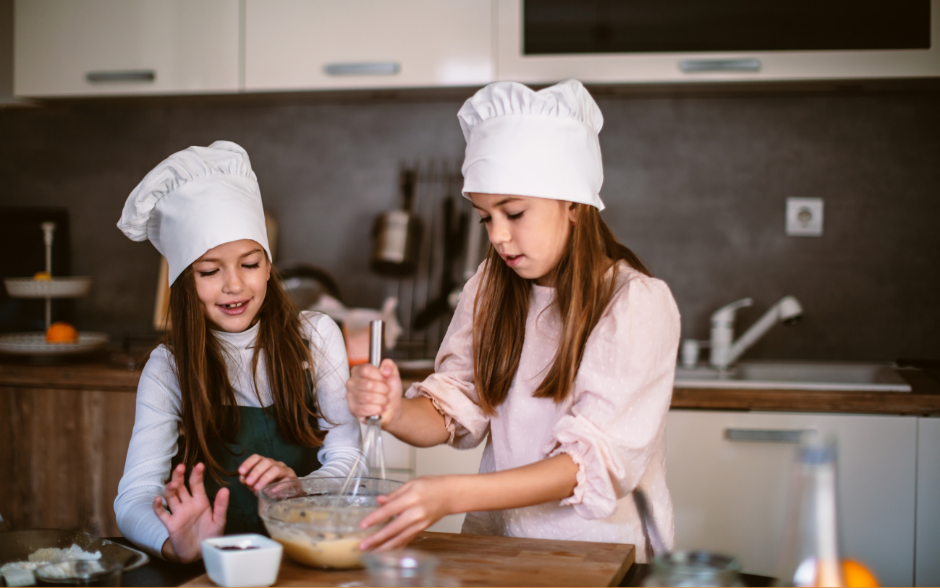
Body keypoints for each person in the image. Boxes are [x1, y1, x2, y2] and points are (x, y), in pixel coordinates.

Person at [346, 79, 680, 563]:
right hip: (498, 549)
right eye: (485, 217)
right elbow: (456, 404)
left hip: (601, 560)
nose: (499, 236)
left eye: (514, 212)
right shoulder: (492, 285)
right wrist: (396, 410)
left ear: (573, 204)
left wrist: (451, 495)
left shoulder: (634, 304)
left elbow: (588, 466)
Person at [114, 141, 360, 563]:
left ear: (268, 265)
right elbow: (135, 497)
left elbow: (349, 458)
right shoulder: (168, 367)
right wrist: (176, 543)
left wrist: (302, 486)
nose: (234, 286)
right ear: (185, 282)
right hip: (218, 567)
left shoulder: (316, 336)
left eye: (249, 264)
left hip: (311, 559)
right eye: (210, 271)